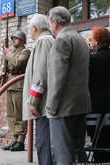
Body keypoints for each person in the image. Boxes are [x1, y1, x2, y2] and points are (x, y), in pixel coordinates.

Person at [45, 6, 91, 164]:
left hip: (64, 107)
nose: (50, 28)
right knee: (78, 152)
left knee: (62, 153)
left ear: (55, 22)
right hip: (81, 105)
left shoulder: (62, 40)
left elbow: (57, 76)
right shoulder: (80, 39)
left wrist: (51, 105)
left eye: (50, 24)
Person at [22, 14, 54, 165]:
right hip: (46, 102)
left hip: (42, 105)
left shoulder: (43, 41)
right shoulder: (48, 40)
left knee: (44, 143)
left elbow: (40, 74)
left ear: (34, 28)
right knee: (45, 143)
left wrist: (34, 101)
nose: (29, 32)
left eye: (30, 29)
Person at [1, 31, 31, 151]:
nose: (14, 40)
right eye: (13, 38)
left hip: (19, 86)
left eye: (16, 38)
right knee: (11, 114)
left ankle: (21, 140)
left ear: (23, 40)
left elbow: (18, 63)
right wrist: (1, 73)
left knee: (19, 113)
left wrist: (7, 53)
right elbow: (7, 66)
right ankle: (14, 138)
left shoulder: (26, 51)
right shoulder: (12, 53)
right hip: (9, 85)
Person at [88, 26, 110, 162]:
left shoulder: (94, 59)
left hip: (96, 103)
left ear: (97, 41)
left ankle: (99, 159)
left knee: (97, 137)